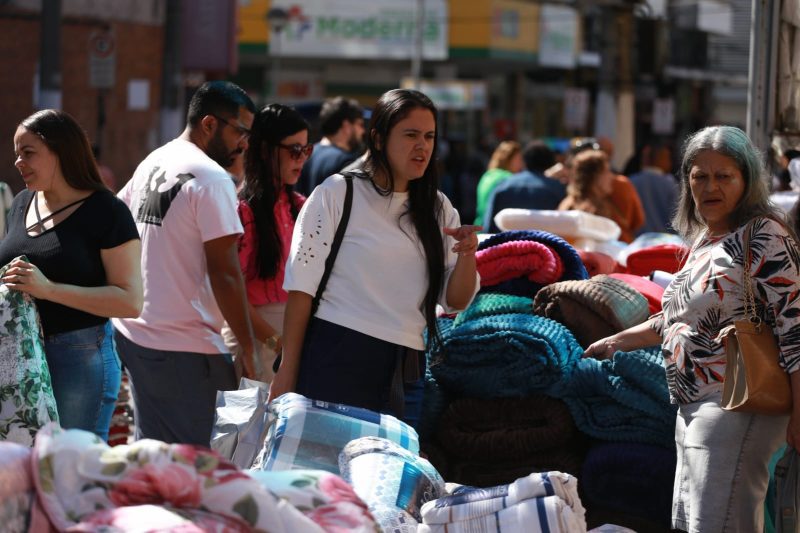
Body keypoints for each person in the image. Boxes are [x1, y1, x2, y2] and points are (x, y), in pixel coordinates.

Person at [584, 126, 800, 532]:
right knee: (693, 521)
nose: (710, 186)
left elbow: (796, 328)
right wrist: (617, 341)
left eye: (724, 176)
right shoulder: (706, 240)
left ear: (747, 180)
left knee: (716, 523)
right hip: (692, 403)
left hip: (737, 404)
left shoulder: (765, 235)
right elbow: (678, 318)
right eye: (699, 176)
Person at [268, 89, 480, 428]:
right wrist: (287, 371)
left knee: (384, 477)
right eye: (410, 135)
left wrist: (468, 254)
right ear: (378, 139)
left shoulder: (440, 209)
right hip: (334, 356)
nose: (422, 146)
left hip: (404, 368)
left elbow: (455, 299)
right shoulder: (337, 193)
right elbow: (301, 289)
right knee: (325, 476)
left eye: (429, 136)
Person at [113, 81, 261, 446]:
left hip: (137, 334)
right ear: (210, 124)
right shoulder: (212, 179)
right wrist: (249, 347)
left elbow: (117, 220)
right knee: (201, 465)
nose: (244, 143)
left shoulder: (155, 159)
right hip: (185, 346)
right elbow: (225, 273)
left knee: (154, 455)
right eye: (240, 131)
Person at [0, 109, 142, 441]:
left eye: (29, 153)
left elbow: (131, 301)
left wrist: (48, 289)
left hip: (77, 360)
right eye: (17, 154)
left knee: (67, 473)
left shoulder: (107, 212)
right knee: (21, 470)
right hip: (16, 355)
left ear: (62, 151)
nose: (19, 162)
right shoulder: (21, 203)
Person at [221, 104, 310, 383]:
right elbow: (230, 293)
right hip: (254, 340)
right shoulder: (241, 211)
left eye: (306, 151)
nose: (302, 159)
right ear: (264, 149)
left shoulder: (301, 206)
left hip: (291, 342)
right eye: (295, 150)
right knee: (249, 426)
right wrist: (272, 342)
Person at [483, 141, 564, 233]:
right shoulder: (559, 189)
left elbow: (489, 227)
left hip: (507, 245)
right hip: (548, 245)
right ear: (550, 162)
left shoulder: (502, 186)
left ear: (525, 161)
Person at [297, 96, 365, 195]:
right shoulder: (345, 161)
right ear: (346, 126)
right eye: (360, 124)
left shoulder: (306, 154)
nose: (362, 131)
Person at [628, 142, 679, 234]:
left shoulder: (631, 182)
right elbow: (677, 219)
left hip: (637, 242)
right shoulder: (670, 184)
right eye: (668, 158)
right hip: (665, 243)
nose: (670, 163)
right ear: (661, 159)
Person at [557, 149, 618, 220]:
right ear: (595, 176)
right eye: (606, 171)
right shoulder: (589, 209)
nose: (611, 176)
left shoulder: (570, 203)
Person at [473, 141, 523, 225]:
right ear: (508, 159)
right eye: (519, 159)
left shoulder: (487, 175)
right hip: (496, 230)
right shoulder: (509, 179)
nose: (522, 164)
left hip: (479, 228)